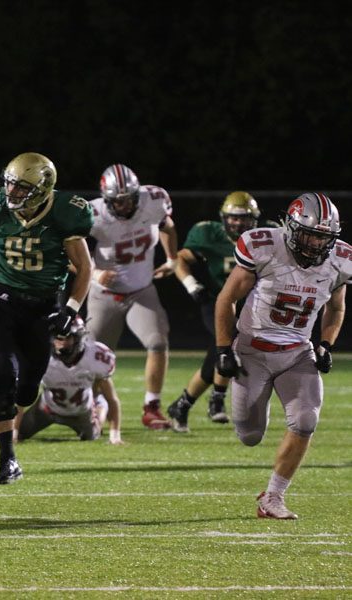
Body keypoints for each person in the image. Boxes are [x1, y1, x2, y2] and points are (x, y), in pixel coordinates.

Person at [215, 192, 349, 519]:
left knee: (306, 421)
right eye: (310, 234)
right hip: (253, 349)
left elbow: (336, 307)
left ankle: (273, 496)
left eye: (323, 237)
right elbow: (226, 299)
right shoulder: (264, 247)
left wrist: (326, 344)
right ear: (291, 227)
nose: (316, 243)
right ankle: (258, 404)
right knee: (249, 435)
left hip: (297, 352)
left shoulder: (340, 261)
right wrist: (223, 349)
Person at [0, 152, 94, 484]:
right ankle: (8, 460)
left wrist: (71, 309)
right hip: (3, 303)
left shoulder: (66, 214)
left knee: (26, 391)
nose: (11, 193)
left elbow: (85, 269)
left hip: (43, 309)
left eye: (21, 188)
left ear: (41, 189)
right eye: (9, 184)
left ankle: (19, 399)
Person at [167, 191, 270, 432]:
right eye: (232, 218)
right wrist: (192, 286)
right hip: (218, 302)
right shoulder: (209, 234)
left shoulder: (265, 237)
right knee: (227, 347)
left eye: (243, 218)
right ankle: (217, 398)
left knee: (219, 353)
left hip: (249, 306)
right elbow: (180, 259)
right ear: (223, 218)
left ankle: (183, 405)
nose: (237, 223)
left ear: (254, 218)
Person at [86, 164, 178, 430]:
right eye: (118, 200)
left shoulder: (154, 201)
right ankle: (90, 405)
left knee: (158, 341)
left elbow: (168, 227)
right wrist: (94, 273)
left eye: (129, 198)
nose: (125, 205)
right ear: (107, 199)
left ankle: (152, 407)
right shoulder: (93, 214)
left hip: (141, 290)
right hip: (105, 294)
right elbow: (67, 250)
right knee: (93, 355)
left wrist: (172, 259)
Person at [15, 315, 123, 445]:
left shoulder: (95, 356)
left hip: (81, 412)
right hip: (46, 408)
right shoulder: (41, 356)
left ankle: (99, 405)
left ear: (79, 337)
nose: (62, 344)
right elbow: (20, 397)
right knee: (19, 433)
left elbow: (112, 398)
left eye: (67, 338)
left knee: (94, 435)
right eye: (58, 338)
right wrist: (14, 431)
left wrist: (115, 435)